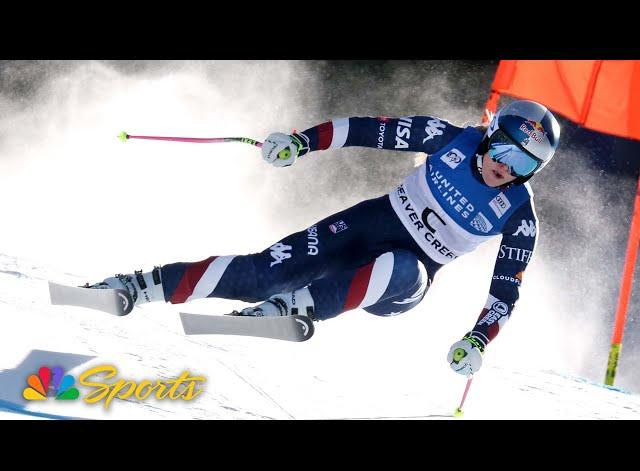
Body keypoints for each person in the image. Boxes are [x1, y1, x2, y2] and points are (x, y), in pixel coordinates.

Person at [89, 99, 560, 377]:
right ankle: (138, 285)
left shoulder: (519, 217)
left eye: (522, 165)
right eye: (502, 149)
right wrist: (301, 142)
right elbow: (367, 130)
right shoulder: (447, 138)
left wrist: (477, 340)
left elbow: (505, 293)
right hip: (364, 227)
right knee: (261, 273)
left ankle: (293, 308)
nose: (505, 167)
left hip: (402, 284)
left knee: (403, 266)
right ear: (488, 135)